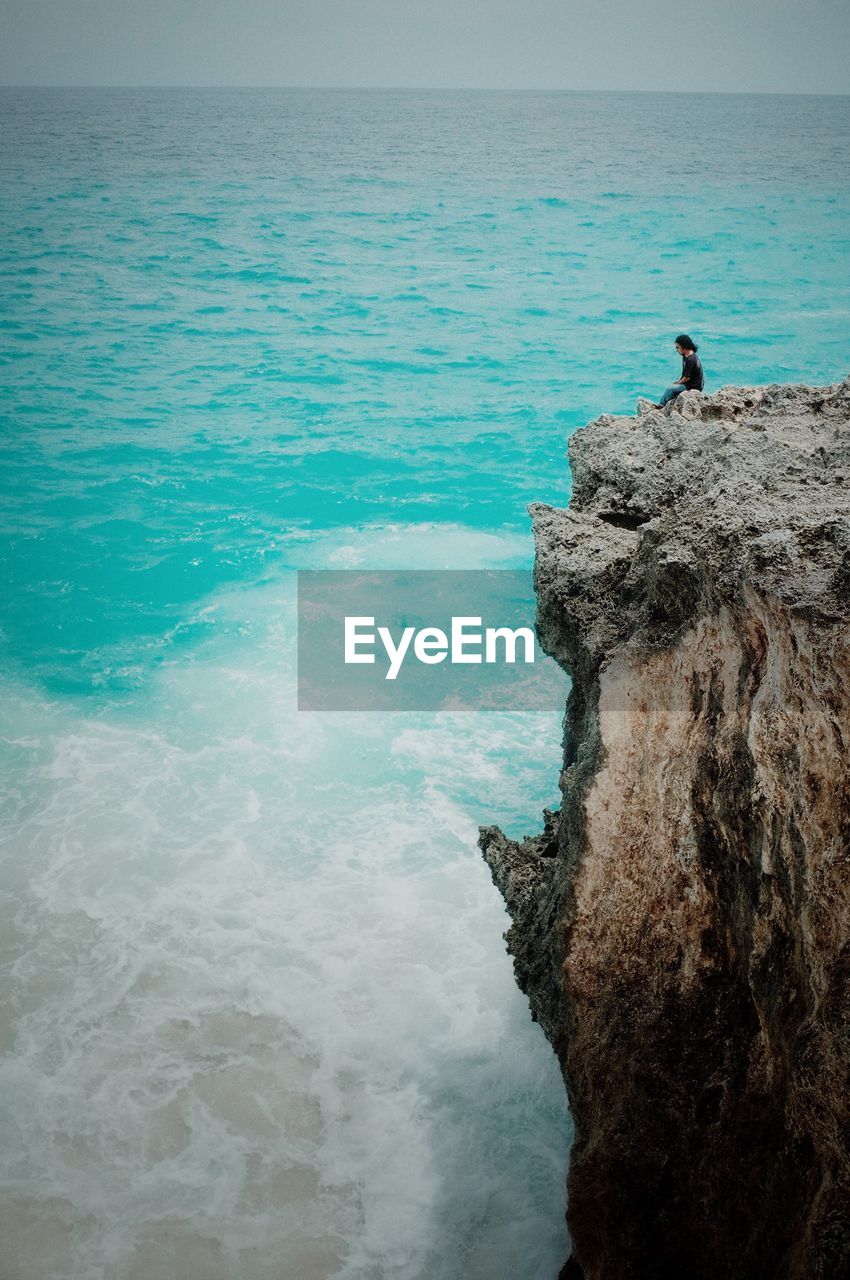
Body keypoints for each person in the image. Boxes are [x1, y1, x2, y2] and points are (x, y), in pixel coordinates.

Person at [654, 335, 704, 407]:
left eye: (678, 347)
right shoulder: (686, 356)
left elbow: (687, 378)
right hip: (690, 383)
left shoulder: (690, 360)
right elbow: (685, 373)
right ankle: (669, 403)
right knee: (674, 388)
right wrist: (679, 381)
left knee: (669, 389)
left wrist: (678, 383)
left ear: (684, 347)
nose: (676, 350)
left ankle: (661, 405)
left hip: (693, 386)